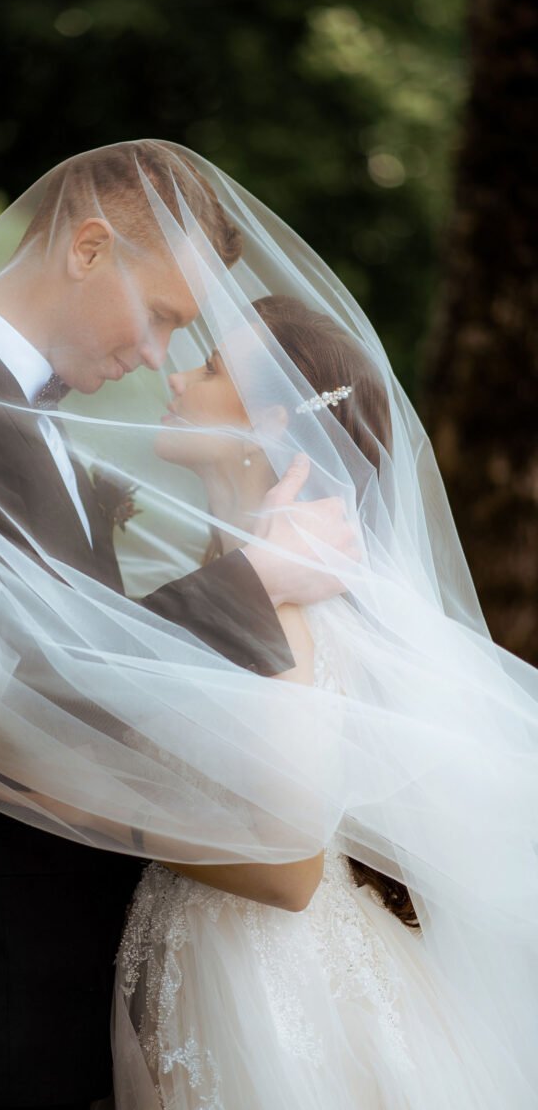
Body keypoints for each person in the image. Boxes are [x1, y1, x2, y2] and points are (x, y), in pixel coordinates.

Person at [0, 142, 357, 1110]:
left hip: (65, 969)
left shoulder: (22, 409)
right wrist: (251, 579)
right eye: (164, 318)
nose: (156, 356)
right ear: (90, 250)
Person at [112, 295, 533, 1108]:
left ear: (270, 423)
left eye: (206, 367)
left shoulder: (290, 600)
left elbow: (289, 863)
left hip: (272, 977)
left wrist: (94, 812)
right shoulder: (243, 579)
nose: (176, 374)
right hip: (219, 954)